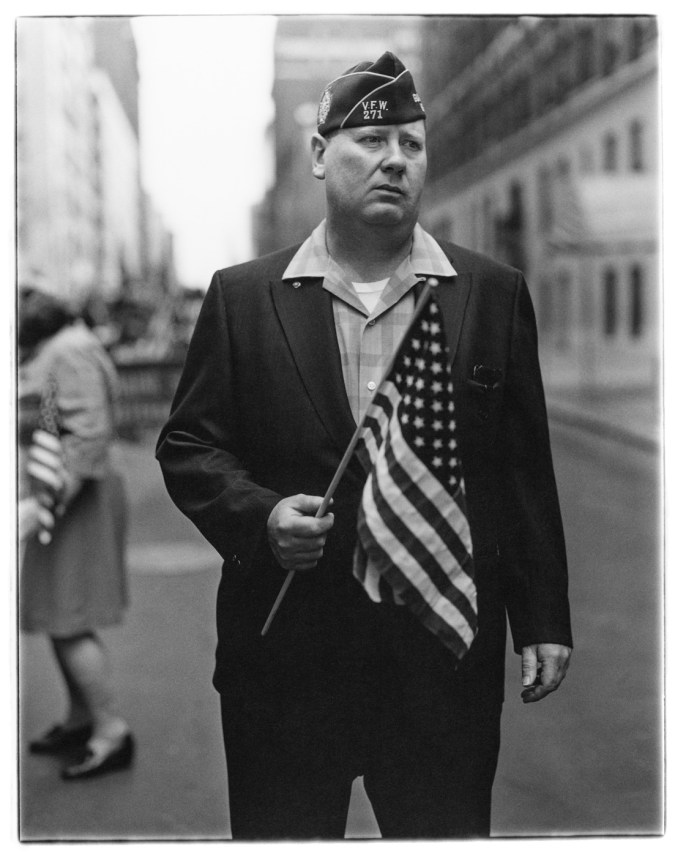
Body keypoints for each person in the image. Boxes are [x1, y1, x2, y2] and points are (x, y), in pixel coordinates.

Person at [156, 51, 572, 839]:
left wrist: (542, 614)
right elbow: (188, 444)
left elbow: (520, 469)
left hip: (440, 662)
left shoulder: (489, 293)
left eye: (411, 144)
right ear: (320, 154)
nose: (394, 160)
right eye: (371, 141)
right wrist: (261, 515)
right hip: (284, 662)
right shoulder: (243, 297)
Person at [18, 282, 134, 780]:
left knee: (68, 616)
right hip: (69, 497)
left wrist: (45, 502)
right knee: (57, 613)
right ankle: (81, 718)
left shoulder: (67, 351)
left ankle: (111, 731)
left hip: (74, 500)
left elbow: (89, 432)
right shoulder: (68, 346)